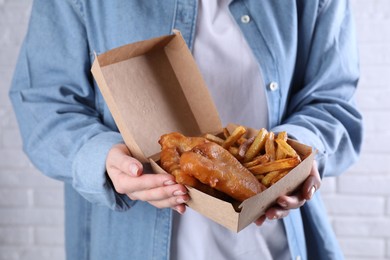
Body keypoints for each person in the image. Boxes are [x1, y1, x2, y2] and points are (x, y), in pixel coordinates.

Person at [9, 0, 362, 259]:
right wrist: (102, 158)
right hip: (126, 245)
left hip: (274, 245)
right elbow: (41, 101)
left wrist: (295, 158)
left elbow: (333, 100)